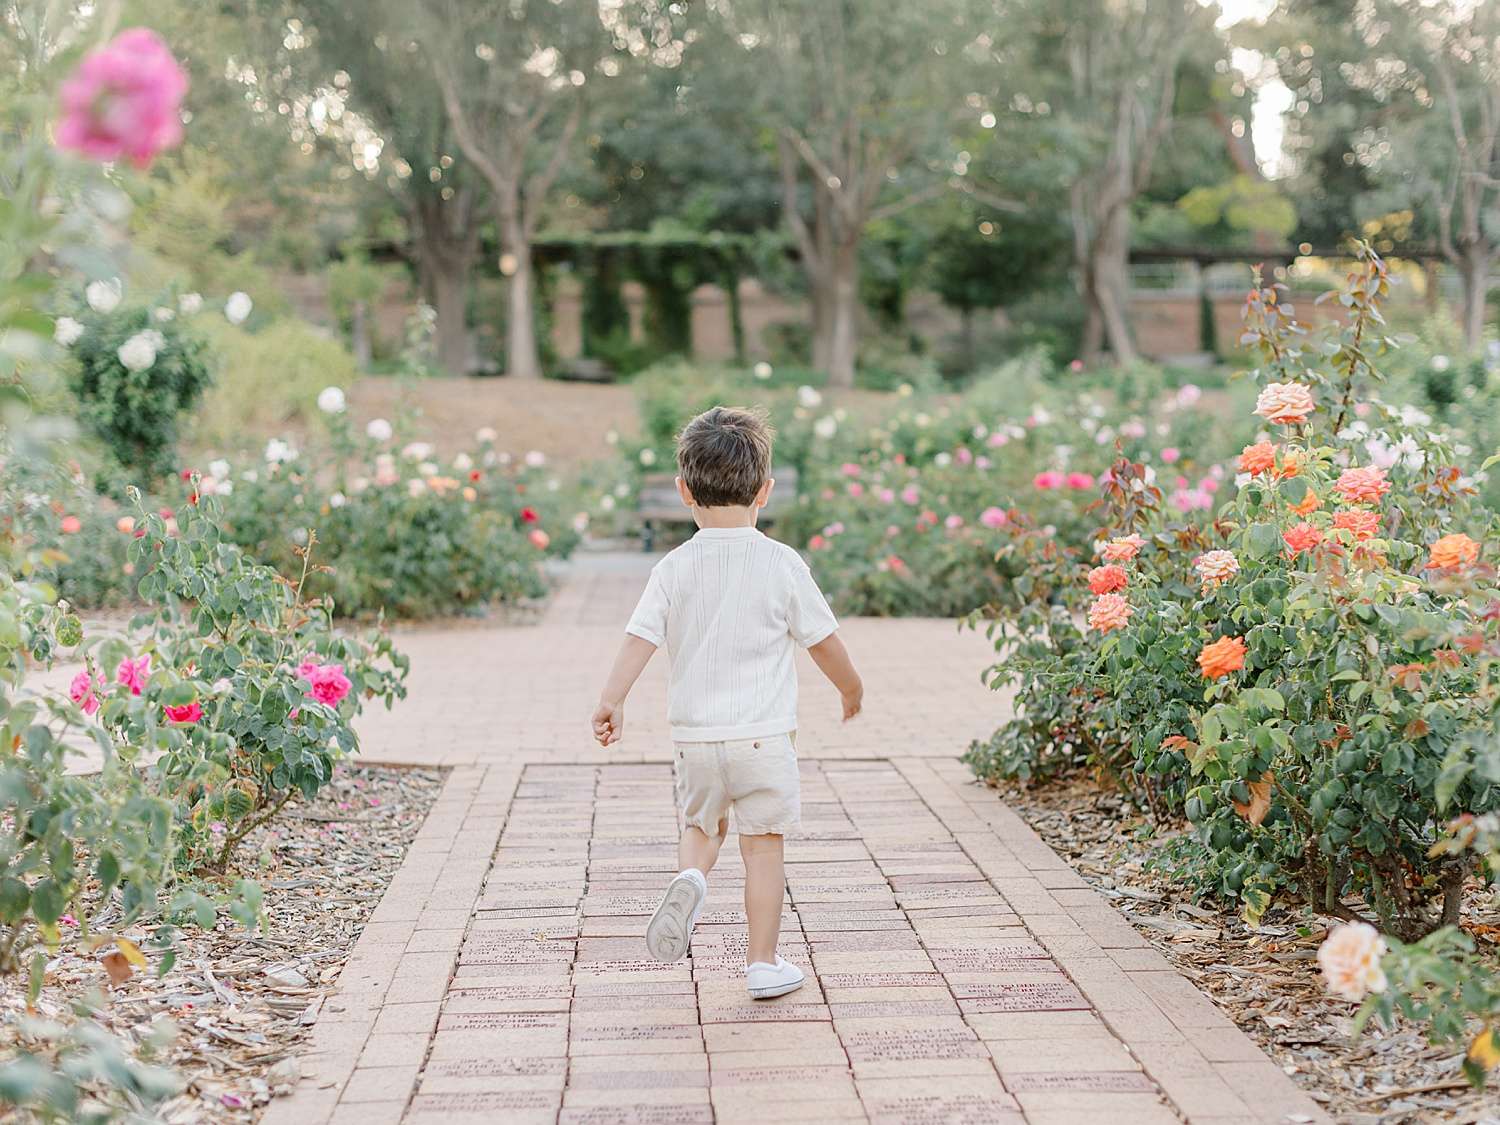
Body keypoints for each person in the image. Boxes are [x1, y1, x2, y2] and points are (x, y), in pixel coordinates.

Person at [591, 405, 863, 1000]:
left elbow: (640, 637)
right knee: (763, 848)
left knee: (701, 826)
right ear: (765, 490)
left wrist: (612, 700)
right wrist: (851, 689)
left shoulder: (673, 567)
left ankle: (691, 876)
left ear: (684, 491)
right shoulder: (781, 563)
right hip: (763, 737)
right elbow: (823, 641)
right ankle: (762, 963)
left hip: (695, 738)